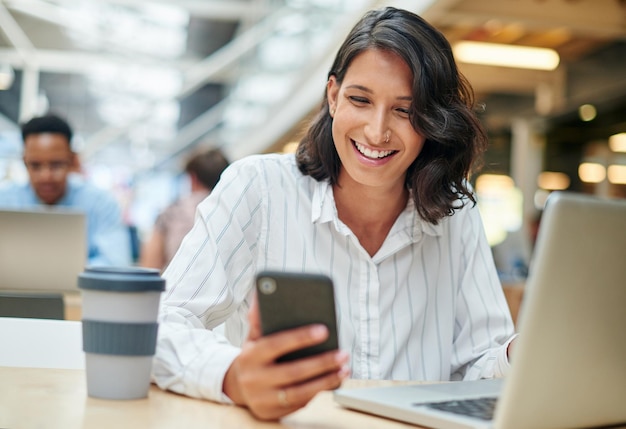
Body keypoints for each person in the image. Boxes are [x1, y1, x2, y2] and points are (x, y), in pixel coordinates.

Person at [152, 6, 517, 422]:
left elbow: (481, 369)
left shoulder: (455, 213)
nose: (377, 131)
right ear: (332, 96)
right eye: (360, 100)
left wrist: (518, 355)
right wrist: (232, 375)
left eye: (404, 110)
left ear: (432, 121)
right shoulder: (258, 187)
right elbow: (163, 322)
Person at [0, 114, 131, 267]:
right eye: (35, 165)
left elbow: (116, 264)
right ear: (24, 161)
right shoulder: (4, 201)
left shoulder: (101, 204)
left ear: (72, 160)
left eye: (56, 165)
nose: (46, 177)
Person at [139, 148, 230, 270]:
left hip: (181, 286)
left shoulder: (172, 212)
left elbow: (150, 266)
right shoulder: (232, 212)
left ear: (193, 178)